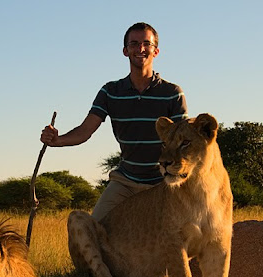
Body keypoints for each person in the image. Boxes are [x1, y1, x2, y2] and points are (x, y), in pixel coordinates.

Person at [40, 22, 188, 220]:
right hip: (125, 181)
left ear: (156, 51)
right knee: (96, 229)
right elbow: (86, 130)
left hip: (164, 181)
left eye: (146, 43)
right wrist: (57, 140)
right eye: (134, 44)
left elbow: (185, 141)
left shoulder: (172, 93)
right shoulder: (110, 91)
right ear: (125, 51)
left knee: (179, 237)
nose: (140, 49)